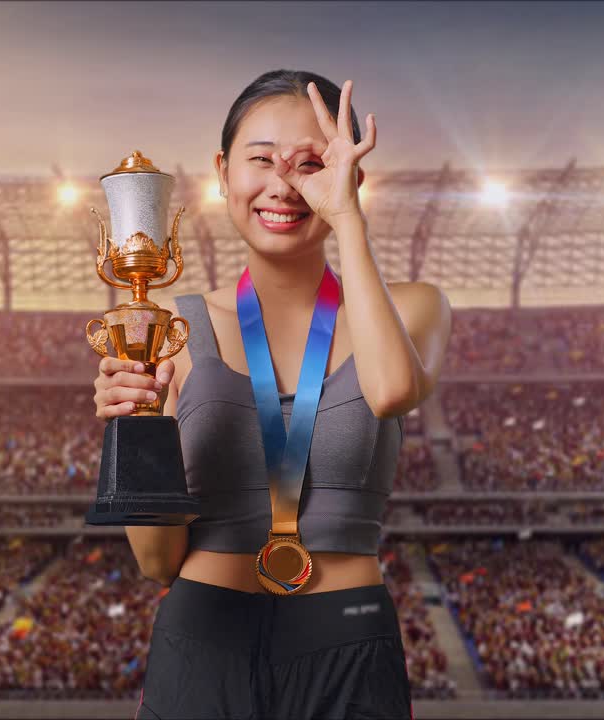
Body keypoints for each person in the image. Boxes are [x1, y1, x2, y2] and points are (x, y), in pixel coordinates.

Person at [93, 69, 451, 719]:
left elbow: (392, 390)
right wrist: (137, 422)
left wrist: (346, 218)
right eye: (261, 160)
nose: (284, 184)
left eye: (312, 162)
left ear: (350, 173)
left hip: (348, 643)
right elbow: (156, 560)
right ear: (224, 171)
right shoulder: (164, 326)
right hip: (203, 637)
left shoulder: (412, 306)